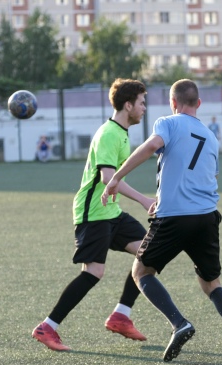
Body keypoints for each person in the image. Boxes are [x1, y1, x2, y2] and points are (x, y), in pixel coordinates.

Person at [101, 79, 222, 364]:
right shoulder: (211, 137)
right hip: (207, 217)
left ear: (173, 103)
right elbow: (211, 176)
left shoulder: (168, 123)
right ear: (199, 103)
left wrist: (116, 178)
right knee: (212, 284)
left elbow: (152, 146)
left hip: (174, 217)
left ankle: (179, 323)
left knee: (141, 272)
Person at [32, 79, 155, 351]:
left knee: (150, 253)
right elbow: (108, 178)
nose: (144, 107)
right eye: (142, 102)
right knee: (94, 272)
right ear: (128, 105)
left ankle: (121, 315)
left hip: (111, 211)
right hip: (94, 213)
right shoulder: (110, 134)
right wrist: (144, 199)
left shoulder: (121, 132)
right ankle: (47, 327)